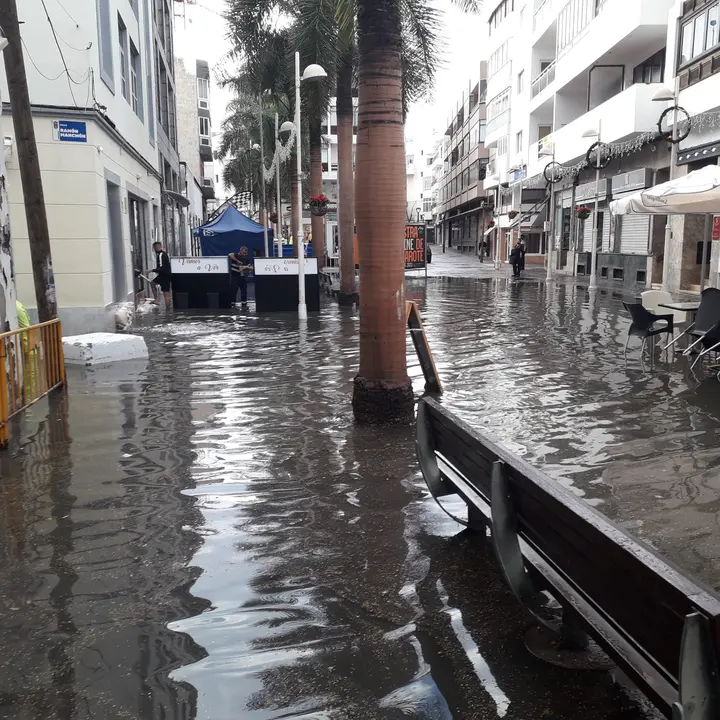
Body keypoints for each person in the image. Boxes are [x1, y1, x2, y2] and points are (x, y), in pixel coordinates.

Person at [149, 242, 172, 308]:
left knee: (166, 294)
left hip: (164, 275)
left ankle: (167, 309)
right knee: (153, 284)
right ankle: (167, 310)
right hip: (165, 275)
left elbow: (162, 268)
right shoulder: (163, 254)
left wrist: (151, 270)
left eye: (154, 248)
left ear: (156, 247)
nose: (153, 250)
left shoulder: (161, 255)